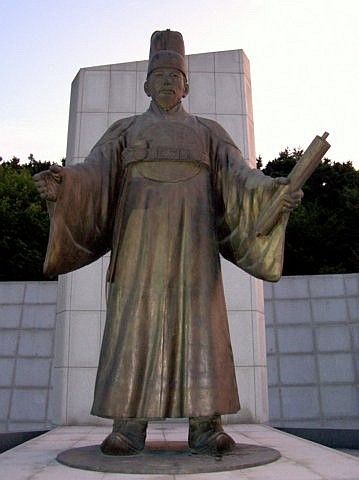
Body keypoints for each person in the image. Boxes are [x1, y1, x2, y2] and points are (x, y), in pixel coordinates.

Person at [34, 30, 302, 456]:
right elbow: (92, 176)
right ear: (145, 84)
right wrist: (64, 184)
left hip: (194, 246)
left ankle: (205, 426)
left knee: (201, 326)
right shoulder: (124, 131)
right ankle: (128, 425)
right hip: (139, 246)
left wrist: (273, 191)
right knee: (133, 324)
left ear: (186, 85)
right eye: (158, 75)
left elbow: (240, 178)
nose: (166, 82)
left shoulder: (209, 133)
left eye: (174, 76)